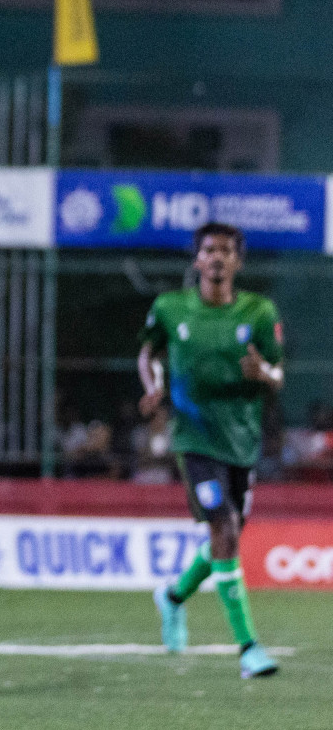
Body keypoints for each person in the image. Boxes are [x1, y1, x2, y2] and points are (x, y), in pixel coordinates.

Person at [142, 222, 282, 679]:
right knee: (222, 525)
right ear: (197, 259)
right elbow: (148, 355)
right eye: (209, 250)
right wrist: (154, 386)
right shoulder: (169, 308)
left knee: (228, 535)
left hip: (241, 439)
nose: (217, 257)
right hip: (194, 437)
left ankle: (174, 596)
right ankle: (248, 648)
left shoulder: (260, 312)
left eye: (226, 251)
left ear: (238, 261)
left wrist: (263, 372)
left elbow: (279, 376)